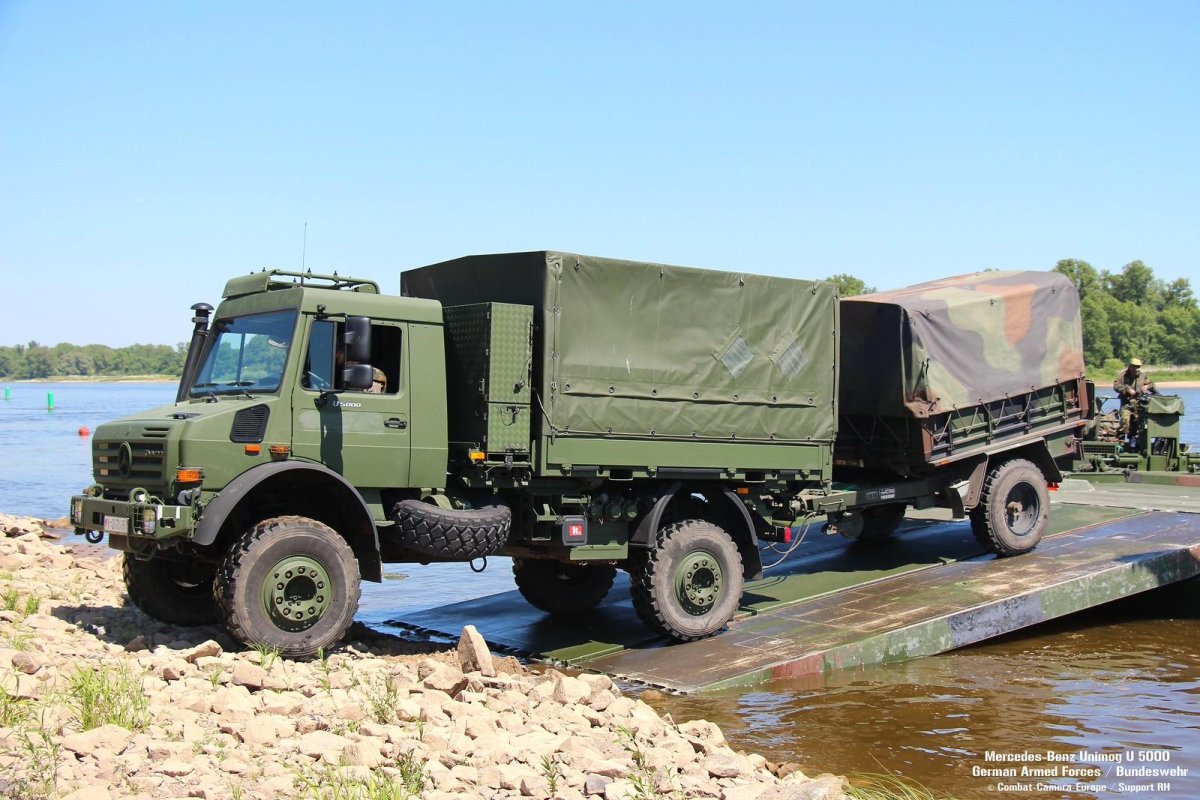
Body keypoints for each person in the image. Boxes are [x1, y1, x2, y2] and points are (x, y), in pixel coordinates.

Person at [1112, 358, 1155, 440]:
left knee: (1139, 427)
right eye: (1134, 367)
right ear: (1130, 366)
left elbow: (1152, 384)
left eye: (1137, 367)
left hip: (1139, 405)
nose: (1135, 369)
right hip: (1126, 404)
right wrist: (1128, 390)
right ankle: (1120, 441)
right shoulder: (1122, 375)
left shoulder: (1142, 375)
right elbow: (1116, 386)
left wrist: (1147, 386)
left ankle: (1134, 444)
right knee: (1125, 423)